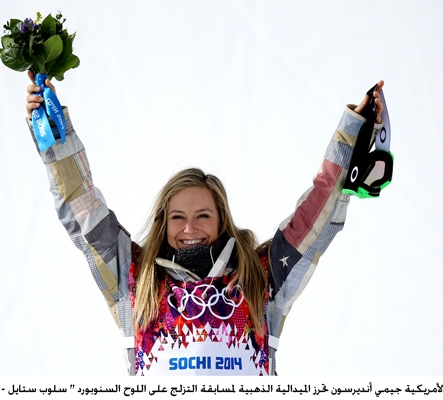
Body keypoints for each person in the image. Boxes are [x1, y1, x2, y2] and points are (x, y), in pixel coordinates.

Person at [25, 71, 385, 376]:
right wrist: (53, 131)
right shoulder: (135, 278)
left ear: (221, 219)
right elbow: (84, 212)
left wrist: (353, 132)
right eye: (177, 217)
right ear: (164, 223)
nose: (189, 228)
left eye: (203, 216)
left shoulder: (261, 277)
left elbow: (315, 217)